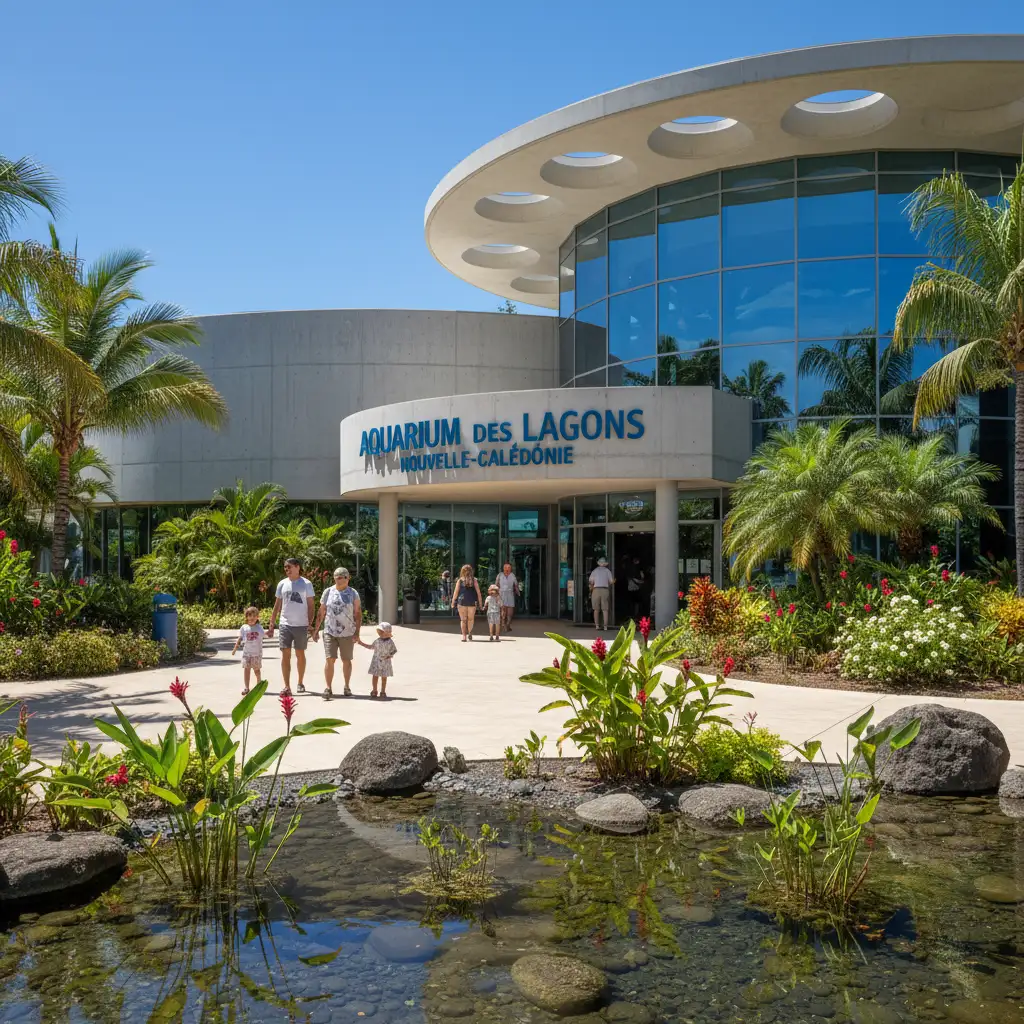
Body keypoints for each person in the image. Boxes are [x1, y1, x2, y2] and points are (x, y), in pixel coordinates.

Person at [312, 566, 361, 700]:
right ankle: (328, 688)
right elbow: (321, 611)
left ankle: (347, 686)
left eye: (341, 577)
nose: (338, 580)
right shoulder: (328, 592)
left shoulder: (353, 593)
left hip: (347, 632)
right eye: (336, 577)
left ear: (348, 578)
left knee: (346, 660)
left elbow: (357, 613)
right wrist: (316, 630)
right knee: (330, 659)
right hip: (330, 631)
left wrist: (357, 632)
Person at [267, 557, 315, 695]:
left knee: (300, 654)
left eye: (289, 566)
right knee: (285, 654)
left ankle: (300, 682)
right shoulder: (282, 584)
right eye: (285, 567)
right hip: (285, 624)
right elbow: (277, 604)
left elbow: (311, 605)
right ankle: (287, 686)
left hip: (301, 625)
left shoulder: (306, 584)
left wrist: (309, 623)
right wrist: (272, 622)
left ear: (297, 567)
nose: (287, 569)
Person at [231, 606, 265, 695]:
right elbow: (240, 638)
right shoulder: (244, 627)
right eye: (250, 615)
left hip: (256, 654)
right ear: (246, 617)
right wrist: (235, 648)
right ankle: (246, 687)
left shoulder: (259, 627)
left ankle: (259, 684)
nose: (252, 618)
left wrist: (270, 632)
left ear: (257, 617)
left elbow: (264, 635)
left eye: (254, 616)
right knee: (247, 670)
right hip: (246, 654)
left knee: (256, 670)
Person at [358, 621, 397, 698]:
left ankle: (383, 691)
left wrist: (390, 655)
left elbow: (394, 650)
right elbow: (371, 647)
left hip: (385, 662)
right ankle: (374, 690)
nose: (379, 633)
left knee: (384, 677)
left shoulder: (390, 642)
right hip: (376, 661)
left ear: (386, 632)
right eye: (379, 632)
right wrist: (361, 643)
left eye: (381, 632)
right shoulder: (377, 641)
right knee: (375, 676)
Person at [451, 563, 483, 641]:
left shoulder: (460, 580)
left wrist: (453, 602)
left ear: (462, 571)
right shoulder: (474, 580)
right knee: (470, 619)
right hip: (472, 602)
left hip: (461, 602)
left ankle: (464, 636)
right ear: (471, 571)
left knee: (463, 620)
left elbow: (456, 593)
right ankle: (470, 632)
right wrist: (480, 604)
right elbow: (478, 593)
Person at [588, 556, 614, 631]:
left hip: (596, 590)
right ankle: (605, 626)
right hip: (605, 590)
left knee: (596, 609)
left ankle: (597, 625)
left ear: (598, 563)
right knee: (605, 609)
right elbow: (611, 581)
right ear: (605, 564)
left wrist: (591, 588)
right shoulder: (608, 571)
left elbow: (591, 581)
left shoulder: (595, 571)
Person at [495, 562, 519, 632]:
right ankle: (503, 624)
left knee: (510, 608)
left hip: (510, 593)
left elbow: (516, 585)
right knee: (503, 609)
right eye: (505, 567)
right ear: (503, 568)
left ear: (511, 568)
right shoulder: (500, 575)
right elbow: (496, 585)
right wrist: (496, 594)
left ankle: (508, 623)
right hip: (501, 593)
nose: (507, 569)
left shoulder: (512, 575)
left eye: (508, 567)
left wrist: (518, 592)